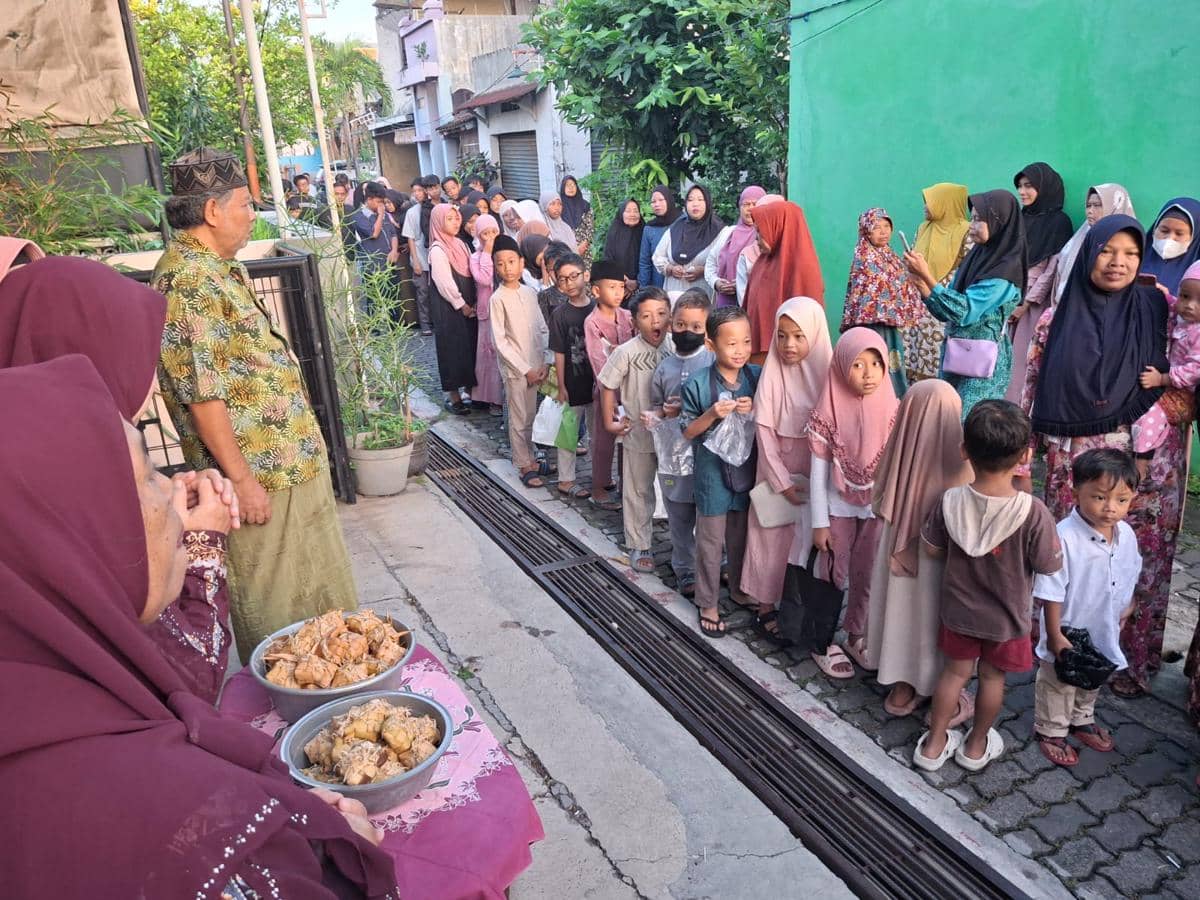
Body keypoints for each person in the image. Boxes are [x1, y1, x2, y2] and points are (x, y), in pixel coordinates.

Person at [0, 355, 396, 899]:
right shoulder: (189, 824)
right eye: (144, 477)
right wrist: (338, 849)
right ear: (72, 538)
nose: (170, 495)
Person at [0, 255, 239, 704]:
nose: (150, 384)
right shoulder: (57, 493)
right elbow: (186, 680)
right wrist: (203, 543)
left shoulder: (31, 468)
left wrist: (155, 503)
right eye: (137, 355)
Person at [155, 148, 358, 663]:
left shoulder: (217, 268)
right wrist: (242, 482)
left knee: (321, 598)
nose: (253, 215)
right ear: (212, 211)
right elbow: (203, 394)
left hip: (288, 464)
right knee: (276, 607)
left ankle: (337, 690)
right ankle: (292, 717)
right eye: (246, 205)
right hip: (258, 477)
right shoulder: (190, 281)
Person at [1023, 216, 1177, 699]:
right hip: (1075, 456)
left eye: (1131, 253)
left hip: (1145, 459)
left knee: (1135, 562)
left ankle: (1128, 663)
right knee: (1069, 558)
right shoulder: (1056, 316)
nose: (1119, 262)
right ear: (1089, 253)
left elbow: (1183, 368)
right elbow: (1032, 386)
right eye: (1108, 250)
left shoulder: (1156, 307)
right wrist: (1023, 458)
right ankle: (1060, 655)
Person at [915, 400, 1062, 773]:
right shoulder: (1033, 512)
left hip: (958, 613)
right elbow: (1048, 565)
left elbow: (930, 549)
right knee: (993, 679)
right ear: (1025, 455)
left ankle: (933, 745)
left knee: (954, 674)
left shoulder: (949, 501)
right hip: (1006, 620)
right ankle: (976, 746)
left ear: (964, 451)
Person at [867, 379, 973, 720]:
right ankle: (940, 689)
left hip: (899, 547)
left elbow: (879, 496)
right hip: (941, 564)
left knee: (900, 610)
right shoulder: (964, 472)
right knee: (932, 617)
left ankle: (901, 685)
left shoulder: (899, 458)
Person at [1032, 449, 1141, 766]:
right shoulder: (1064, 537)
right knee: (1058, 680)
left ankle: (1081, 719)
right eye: (1100, 497)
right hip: (1067, 627)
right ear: (1076, 489)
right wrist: (1054, 634)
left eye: (1122, 500)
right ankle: (1050, 729)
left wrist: (1128, 605)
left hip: (1103, 626)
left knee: (1091, 676)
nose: (1110, 509)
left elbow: (1130, 570)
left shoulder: (1126, 535)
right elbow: (1051, 591)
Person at [807, 327, 899, 675]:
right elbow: (818, 471)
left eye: (876, 363)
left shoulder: (892, 407)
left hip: (874, 509)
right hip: (836, 508)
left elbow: (894, 468)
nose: (869, 373)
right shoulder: (828, 407)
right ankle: (822, 638)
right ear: (842, 366)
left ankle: (855, 633)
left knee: (868, 572)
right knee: (833, 571)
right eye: (858, 365)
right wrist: (819, 523)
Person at [740, 297, 831, 637]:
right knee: (769, 536)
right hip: (775, 469)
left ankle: (796, 607)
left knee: (803, 541)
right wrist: (781, 481)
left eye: (798, 336)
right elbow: (763, 430)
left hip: (815, 472)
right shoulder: (773, 373)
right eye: (781, 335)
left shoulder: (828, 375)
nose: (788, 345)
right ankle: (764, 606)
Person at [904, 189, 1026, 417]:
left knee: (966, 422)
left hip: (982, 366)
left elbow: (964, 310)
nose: (972, 225)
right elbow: (947, 311)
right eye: (973, 218)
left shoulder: (1004, 272)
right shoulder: (978, 257)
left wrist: (928, 275)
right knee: (946, 417)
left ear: (999, 222)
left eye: (980, 220)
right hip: (958, 355)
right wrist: (923, 288)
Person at [681, 306, 760, 636]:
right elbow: (687, 431)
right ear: (712, 346)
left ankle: (740, 588)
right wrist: (713, 414)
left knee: (741, 536)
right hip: (711, 476)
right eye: (731, 344)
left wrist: (754, 407)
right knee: (711, 542)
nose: (740, 350)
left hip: (745, 472)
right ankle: (708, 601)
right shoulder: (698, 384)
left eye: (746, 341)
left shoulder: (755, 377)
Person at [600, 288, 671, 573]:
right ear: (634, 321)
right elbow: (607, 385)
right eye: (647, 315)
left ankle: (684, 548)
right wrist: (609, 421)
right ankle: (640, 543)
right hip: (637, 433)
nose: (655, 321)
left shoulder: (676, 349)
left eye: (662, 314)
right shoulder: (626, 353)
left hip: (671, 438)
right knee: (637, 489)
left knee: (675, 491)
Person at [649, 289, 714, 597]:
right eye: (681, 325)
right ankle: (684, 568)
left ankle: (711, 566)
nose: (687, 332)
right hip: (674, 456)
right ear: (671, 324)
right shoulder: (664, 368)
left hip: (706, 455)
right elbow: (656, 408)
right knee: (679, 515)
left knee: (708, 515)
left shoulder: (713, 361)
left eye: (696, 327)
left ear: (707, 329)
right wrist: (664, 412)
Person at [1004, 163, 1074, 404]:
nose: (1022, 192)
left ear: (1044, 188)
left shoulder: (1059, 222)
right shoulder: (1020, 219)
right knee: (1003, 359)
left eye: (1029, 186)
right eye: (1020, 187)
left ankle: (1019, 417)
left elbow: (1051, 270)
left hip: (1033, 306)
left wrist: (1025, 303)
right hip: (1009, 298)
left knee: (1024, 362)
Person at [840, 207, 922, 396]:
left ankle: (895, 396)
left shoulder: (888, 254)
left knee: (893, 358)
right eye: (877, 227)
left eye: (887, 226)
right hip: (872, 324)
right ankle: (879, 395)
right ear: (866, 230)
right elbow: (869, 291)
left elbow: (898, 282)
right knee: (875, 358)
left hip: (890, 323)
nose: (884, 232)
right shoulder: (864, 257)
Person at [490, 235, 550, 489]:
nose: (507, 268)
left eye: (512, 261)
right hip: (516, 370)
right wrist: (524, 369)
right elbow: (500, 342)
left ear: (522, 262)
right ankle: (523, 463)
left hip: (537, 365)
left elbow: (542, 328)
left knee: (532, 414)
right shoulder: (497, 298)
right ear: (495, 267)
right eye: (501, 264)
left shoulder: (529, 293)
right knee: (518, 416)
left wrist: (546, 360)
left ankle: (531, 455)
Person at [1132, 261, 1200, 472]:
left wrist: (1162, 379)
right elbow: (1170, 305)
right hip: (1169, 384)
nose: (1189, 305)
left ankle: (1142, 460)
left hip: (1183, 394)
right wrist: (1163, 294)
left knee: (1149, 411)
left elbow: (1195, 370)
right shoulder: (1182, 316)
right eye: (1185, 296)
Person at [905, 183, 973, 382]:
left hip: (941, 298)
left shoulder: (967, 232)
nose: (926, 207)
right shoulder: (924, 227)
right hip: (917, 299)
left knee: (936, 354)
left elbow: (968, 269)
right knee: (913, 353)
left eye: (931, 203)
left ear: (946, 204)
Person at [584, 259, 635, 510]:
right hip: (606, 391)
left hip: (631, 392)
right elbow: (597, 360)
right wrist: (611, 394)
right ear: (596, 291)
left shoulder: (628, 316)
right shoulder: (592, 322)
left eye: (621, 287)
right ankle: (599, 486)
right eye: (611, 287)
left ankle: (627, 485)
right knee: (604, 441)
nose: (618, 293)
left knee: (629, 437)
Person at [744, 200, 824, 359]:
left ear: (778, 228)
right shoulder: (764, 261)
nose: (757, 239)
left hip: (788, 357)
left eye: (761, 232)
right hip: (757, 356)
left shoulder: (802, 267)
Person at [548, 252, 596, 499]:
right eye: (562, 279)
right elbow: (558, 351)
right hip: (572, 381)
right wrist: (561, 384)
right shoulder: (560, 314)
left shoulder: (598, 307)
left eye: (573, 276)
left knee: (598, 432)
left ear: (585, 276)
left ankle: (601, 477)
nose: (568, 283)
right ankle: (566, 479)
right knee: (568, 431)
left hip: (597, 382)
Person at [1046, 183, 1136, 309]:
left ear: (1115, 205)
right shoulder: (1083, 235)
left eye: (1098, 205)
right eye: (1088, 205)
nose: (1090, 210)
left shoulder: (1126, 241)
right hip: (1065, 308)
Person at [427, 203, 479, 414]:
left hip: (468, 303)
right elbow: (444, 283)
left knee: (469, 346)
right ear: (439, 222)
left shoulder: (461, 244)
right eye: (449, 219)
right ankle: (454, 397)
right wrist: (462, 305)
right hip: (449, 307)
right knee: (452, 348)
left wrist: (474, 301)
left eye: (456, 218)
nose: (456, 222)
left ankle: (470, 391)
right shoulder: (438, 249)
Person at [653, 184, 725, 297]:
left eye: (700, 199)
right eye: (690, 199)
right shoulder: (676, 228)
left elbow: (724, 262)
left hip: (703, 294)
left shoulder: (719, 231)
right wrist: (670, 269)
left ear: (708, 203)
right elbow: (658, 256)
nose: (695, 204)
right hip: (675, 292)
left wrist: (703, 270)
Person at [705, 185, 765, 307]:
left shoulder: (766, 235)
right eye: (746, 204)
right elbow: (710, 263)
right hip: (726, 301)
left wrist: (742, 283)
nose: (750, 209)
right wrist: (717, 283)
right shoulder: (728, 233)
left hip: (753, 302)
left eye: (755, 204)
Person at [470, 213, 505, 416]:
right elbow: (484, 278)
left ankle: (505, 396)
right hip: (487, 309)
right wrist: (487, 253)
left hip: (504, 307)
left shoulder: (504, 253)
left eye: (493, 232)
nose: (490, 236)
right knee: (488, 354)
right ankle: (492, 399)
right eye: (485, 233)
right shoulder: (476, 257)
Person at [734, 193, 784, 306]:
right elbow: (746, 302)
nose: (756, 238)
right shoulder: (750, 257)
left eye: (761, 230)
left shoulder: (798, 261)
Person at [1142, 197, 1200, 294]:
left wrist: (1171, 302)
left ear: (1194, 237)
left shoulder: (1196, 272)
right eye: (1164, 231)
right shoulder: (1135, 257)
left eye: (1179, 234)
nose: (1169, 238)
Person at [347, 181, 399, 281]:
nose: (381, 205)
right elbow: (374, 234)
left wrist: (394, 250)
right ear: (369, 199)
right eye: (378, 202)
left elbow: (393, 233)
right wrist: (380, 215)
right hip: (373, 269)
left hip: (390, 265)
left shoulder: (383, 213)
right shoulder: (359, 216)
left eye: (382, 202)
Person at [402, 178, 433, 335]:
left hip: (434, 258)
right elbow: (410, 238)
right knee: (422, 294)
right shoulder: (412, 212)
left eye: (420, 190)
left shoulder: (434, 208)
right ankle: (425, 324)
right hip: (420, 257)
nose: (417, 194)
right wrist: (415, 261)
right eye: (414, 191)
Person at [601, 198, 645, 302]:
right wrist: (626, 282)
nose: (632, 214)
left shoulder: (645, 231)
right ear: (621, 213)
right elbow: (608, 260)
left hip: (642, 287)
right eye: (628, 211)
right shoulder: (614, 232)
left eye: (635, 211)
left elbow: (648, 259)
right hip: (618, 287)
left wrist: (636, 283)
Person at [639, 186, 678, 289]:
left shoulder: (683, 223)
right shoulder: (649, 228)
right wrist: (644, 288)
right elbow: (645, 261)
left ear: (669, 200)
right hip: (658, 284)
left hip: (680, 282)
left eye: (661, 200)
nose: (657, 204)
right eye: (653, 202)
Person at [559, 175, 594, 257]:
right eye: (567, 185)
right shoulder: (559, 206)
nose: (571, 188)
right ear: (563, 188)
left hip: (583, 249)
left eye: (573, 185)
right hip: (564, 250)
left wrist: (583, 245)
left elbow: (590, 228)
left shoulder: (585, 205)